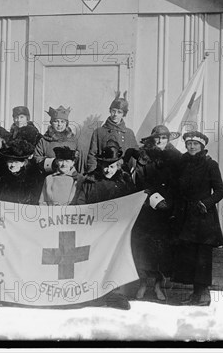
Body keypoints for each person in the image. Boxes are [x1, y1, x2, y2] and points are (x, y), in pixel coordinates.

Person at [71, 140, 137, 310]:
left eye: (112, 166)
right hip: (94, 228)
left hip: (116, 230)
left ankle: (115, 294)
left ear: (118, 164)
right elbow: (80, 202)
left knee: (114, 261)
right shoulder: (90, 180)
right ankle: (91, 293)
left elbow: (132, 202)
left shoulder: (125, 181)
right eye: (104, 166)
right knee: (93, 260)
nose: (108, 170)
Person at [170, 130, 223, 306]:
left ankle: (204, 295)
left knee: (203, 257)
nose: (192, 147)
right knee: (190, 256)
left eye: (195, 144)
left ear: (202, 146)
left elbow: (219, 191)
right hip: (186, 216)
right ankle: (195, 294)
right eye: (189, 144)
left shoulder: (211, 164)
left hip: (203, 217)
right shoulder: (182, 163)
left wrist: (205, 203)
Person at [128, 125, 182, 301]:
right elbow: (140, 182)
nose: (160, 141)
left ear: (168, 140)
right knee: (143, 247)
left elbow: (179, 183)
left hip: (167, 210)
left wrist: (170, 203)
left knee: (162, 248)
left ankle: (159, 285)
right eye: (157, 138)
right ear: (152, 139)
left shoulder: (175, 158)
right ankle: (143, 283)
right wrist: (154, 199)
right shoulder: (144, 157)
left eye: (164, 138)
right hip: (147, 209)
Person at [86, 91, 138, 173]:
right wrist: (92, 173)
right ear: (110, 111)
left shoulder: (129, 133)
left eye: (119, 112)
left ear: (124, 114)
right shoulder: (99, 132)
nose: (115, 114)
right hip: (103, 172)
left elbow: (137, 154)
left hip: (122, 174)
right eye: (113, 111)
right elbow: (92, 155)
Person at [0, 139, 42, 205]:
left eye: (16, 162)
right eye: (10, 161)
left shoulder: (32, 180)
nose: (13, 165)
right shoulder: (1, 180)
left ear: (23, 163)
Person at [34, 105, 79, 173]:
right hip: (49, 176)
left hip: (69, 177)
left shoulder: (73, 140)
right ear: (51, 123)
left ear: (66, 124)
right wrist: (52, 163)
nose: (59, 124)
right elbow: (37, 157)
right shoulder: (44, 140)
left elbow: (78, 159)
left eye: (62, 121)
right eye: (56, 121)